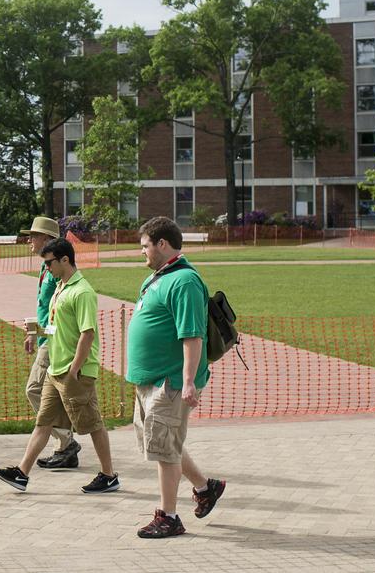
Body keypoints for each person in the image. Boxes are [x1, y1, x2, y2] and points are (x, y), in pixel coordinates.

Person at [0, 237, 119, 494]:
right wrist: (36, 332)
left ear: (64, 260)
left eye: (49, 262)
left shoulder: (82, 292)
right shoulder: (61, 288)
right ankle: (22, 473)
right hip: (55, 370)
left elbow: (87, 334)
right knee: (43, 422)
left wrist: (74, 369)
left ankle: (109, 476)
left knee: (93, 424)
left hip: (75, 372)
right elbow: (59, 328)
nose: (46, 267)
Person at [128, 216, 227, 538]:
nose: (141, 252)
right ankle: (205, 487)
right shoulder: (159, 276)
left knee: (165, 449)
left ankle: (169, 516)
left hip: (169, 380)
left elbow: (192, 335)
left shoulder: (184, 281)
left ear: (162, 244)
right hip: (151, 379)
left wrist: (187, 381)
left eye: (145, 246)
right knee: (164, 443)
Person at [18, 215, 81, 469]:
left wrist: (42, 332)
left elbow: (63, 310)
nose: (29, 240)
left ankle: (67, 440)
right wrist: (34, 332)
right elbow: (47, 306)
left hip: (55, 339)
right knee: (54, 396)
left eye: (33, 236)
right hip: (46, 335)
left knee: (34, 390)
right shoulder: (45, 266)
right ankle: (65, 449)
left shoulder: (58, 269)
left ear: (47, 239)